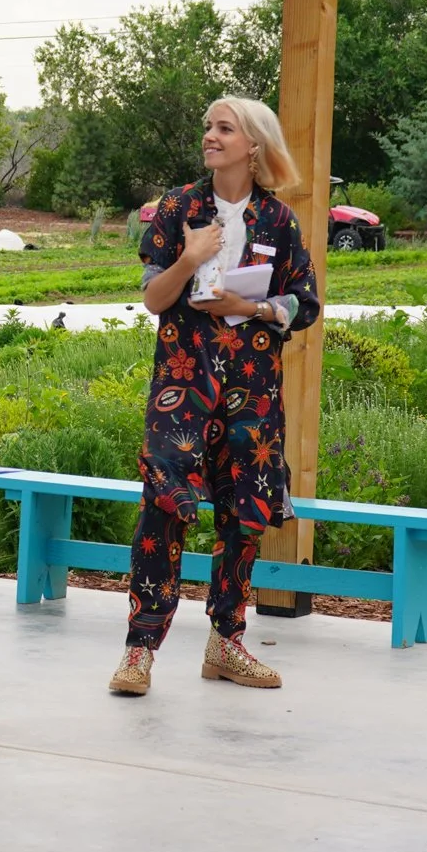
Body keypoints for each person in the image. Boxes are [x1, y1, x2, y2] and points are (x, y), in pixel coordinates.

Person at [109, 96, 320, 696]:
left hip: (252, 387)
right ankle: (138, 651)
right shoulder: (179, 208)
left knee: (245, 512)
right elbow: (153, 297)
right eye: (207, 127)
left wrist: (248, 307)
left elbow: (305, 304)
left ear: (253, 144)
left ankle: (227, 644)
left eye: (223, 128)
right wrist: (190, 258)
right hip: (184, 383)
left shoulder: (279, 221)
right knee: (164, 505)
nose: (210, 136)